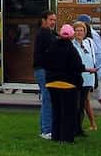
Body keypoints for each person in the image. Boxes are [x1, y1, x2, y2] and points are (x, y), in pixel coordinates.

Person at [44, 24, 85, 143]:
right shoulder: (71, 49)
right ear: (72, 35)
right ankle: (66, 138)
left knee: (56, 111)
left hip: (52, 84)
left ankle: (55, 136)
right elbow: (76, 66)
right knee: (68, 113)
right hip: (68, 85)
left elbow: (46, 63)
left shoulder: (52, 47)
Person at [33, 11, 57, 140]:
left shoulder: (49, 33)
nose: (53, 22)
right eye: (51, 19)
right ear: (44, 20)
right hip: (43, 70)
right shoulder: (45, 34)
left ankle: (45, 129)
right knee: (48, 100)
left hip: (42, 70)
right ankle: (46, 130)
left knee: (46, 100)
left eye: (54, 20)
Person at [72, 21, 97, 133]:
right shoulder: (72, 45)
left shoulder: (89, 43)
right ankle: (75, 127)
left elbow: (93, 57)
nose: (79, 32)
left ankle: (79, 128)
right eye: (77, 30)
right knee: (76, 105)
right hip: (77, 78)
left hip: (88, 78)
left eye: (81, 30)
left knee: (82, 104)